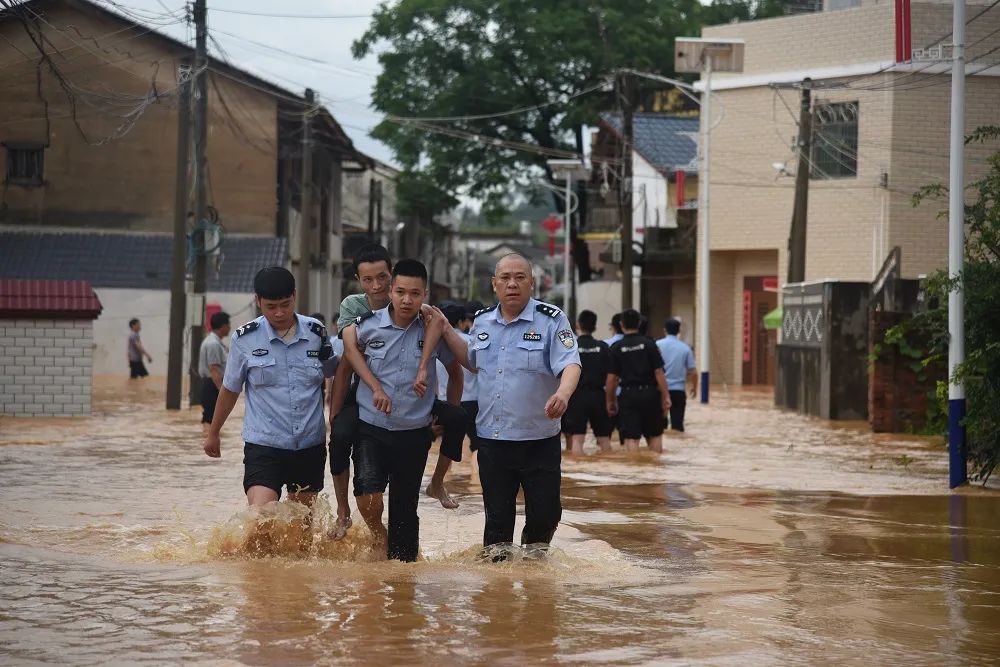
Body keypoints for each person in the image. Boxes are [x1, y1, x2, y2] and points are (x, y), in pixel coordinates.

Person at [438, 253, 581, 556]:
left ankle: (535, 582)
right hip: (493, 441)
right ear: (494, 284)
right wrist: (446, 330)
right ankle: (496, 597)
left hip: (539, 440)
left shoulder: (551, 319)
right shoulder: (483, 321)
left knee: (545, 517)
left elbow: (571, 364)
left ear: (531, 283)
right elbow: (472, 362)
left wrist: (563, 395)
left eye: (520, 277)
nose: (512, 284)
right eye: (505, 278)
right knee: (497, 529)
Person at [328, 245, 465, 539]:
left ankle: (435, 485)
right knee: (363, 484)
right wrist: (334, 413)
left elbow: (459, 369)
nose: (406, 299)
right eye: (400, 292)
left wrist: (440, 412)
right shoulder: (360, 320)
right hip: (371, 421)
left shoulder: (431, 324)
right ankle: (359, 522)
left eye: (415, 294)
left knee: (405, 522)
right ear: (392, 290)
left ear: (424, 295)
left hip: (414, 430)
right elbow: (345, 365)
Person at [202, 267, 338, 512]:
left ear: (294, 295)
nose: (279, 313)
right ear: (258, 301)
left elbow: (334, 372)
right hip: (264, 445)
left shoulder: (317, 332)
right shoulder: (244, 339)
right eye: (271, 306)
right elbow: (230, 389)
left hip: (309, 445)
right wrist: (214, 432)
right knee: (261, 518)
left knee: (300, 530)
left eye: (285, 304)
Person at [429, 302, 480, 504]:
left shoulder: (434, 342)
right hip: (473, 401)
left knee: (444, 445)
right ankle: (476, 483)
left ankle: (444, 480)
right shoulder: (469, 342)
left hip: (444, 402)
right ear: (461, 321)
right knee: (477, 447)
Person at [605, 309, 670, 454]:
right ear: (639, 323)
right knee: (655, 434)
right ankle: (656, 472)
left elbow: (612, 379)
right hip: (651, 394)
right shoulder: (650, 345)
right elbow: (659, 372)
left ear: (621, 325)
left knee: (631, 437)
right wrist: (665, 396)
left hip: (628, 396)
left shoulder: (617, 348)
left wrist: (610, 401)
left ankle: (634, 469)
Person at [561, 309, 612, 455]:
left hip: (577, 396)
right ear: (595, 327)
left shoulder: (571, 347)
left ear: (577, 325)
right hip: (598, 396)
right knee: (604, 439)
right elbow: (610, 376)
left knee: (577, 439)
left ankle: (579, 471)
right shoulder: (603, 347)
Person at [656, 318, 697, 432]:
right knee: (677, 427)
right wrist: (695, 388)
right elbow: (693, 371)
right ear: (679, 331)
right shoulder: (685, 348)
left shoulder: (657, 345)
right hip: (678, 391)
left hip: (659, 390)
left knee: (658, 427)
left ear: (664, 330)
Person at [198, 311, 231, 427]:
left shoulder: (215, 342)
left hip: (212, 384)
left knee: (211, 419)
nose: (230, 328)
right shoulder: (213, 344)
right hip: (212, 385)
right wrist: (222, 391)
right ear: (223, 326)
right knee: (210, 420)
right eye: (228, 325)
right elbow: (214, 369)